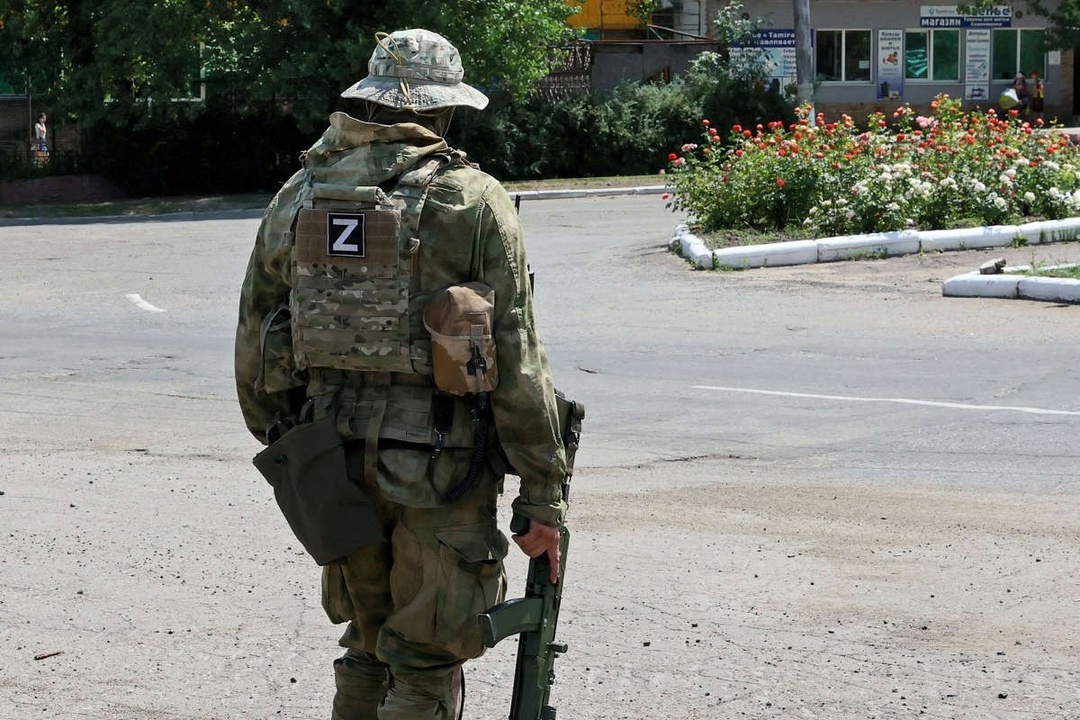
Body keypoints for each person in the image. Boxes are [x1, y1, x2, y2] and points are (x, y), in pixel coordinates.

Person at [234, 28, 567, 720]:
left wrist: (293, 448)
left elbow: (257, 341)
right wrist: (543, 494)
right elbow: (514, 355)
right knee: (422, 663)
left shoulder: (299, 194)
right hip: (440, 470)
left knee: (367, 646)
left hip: (330, 459)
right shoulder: (470, 200)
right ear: (444, 110)